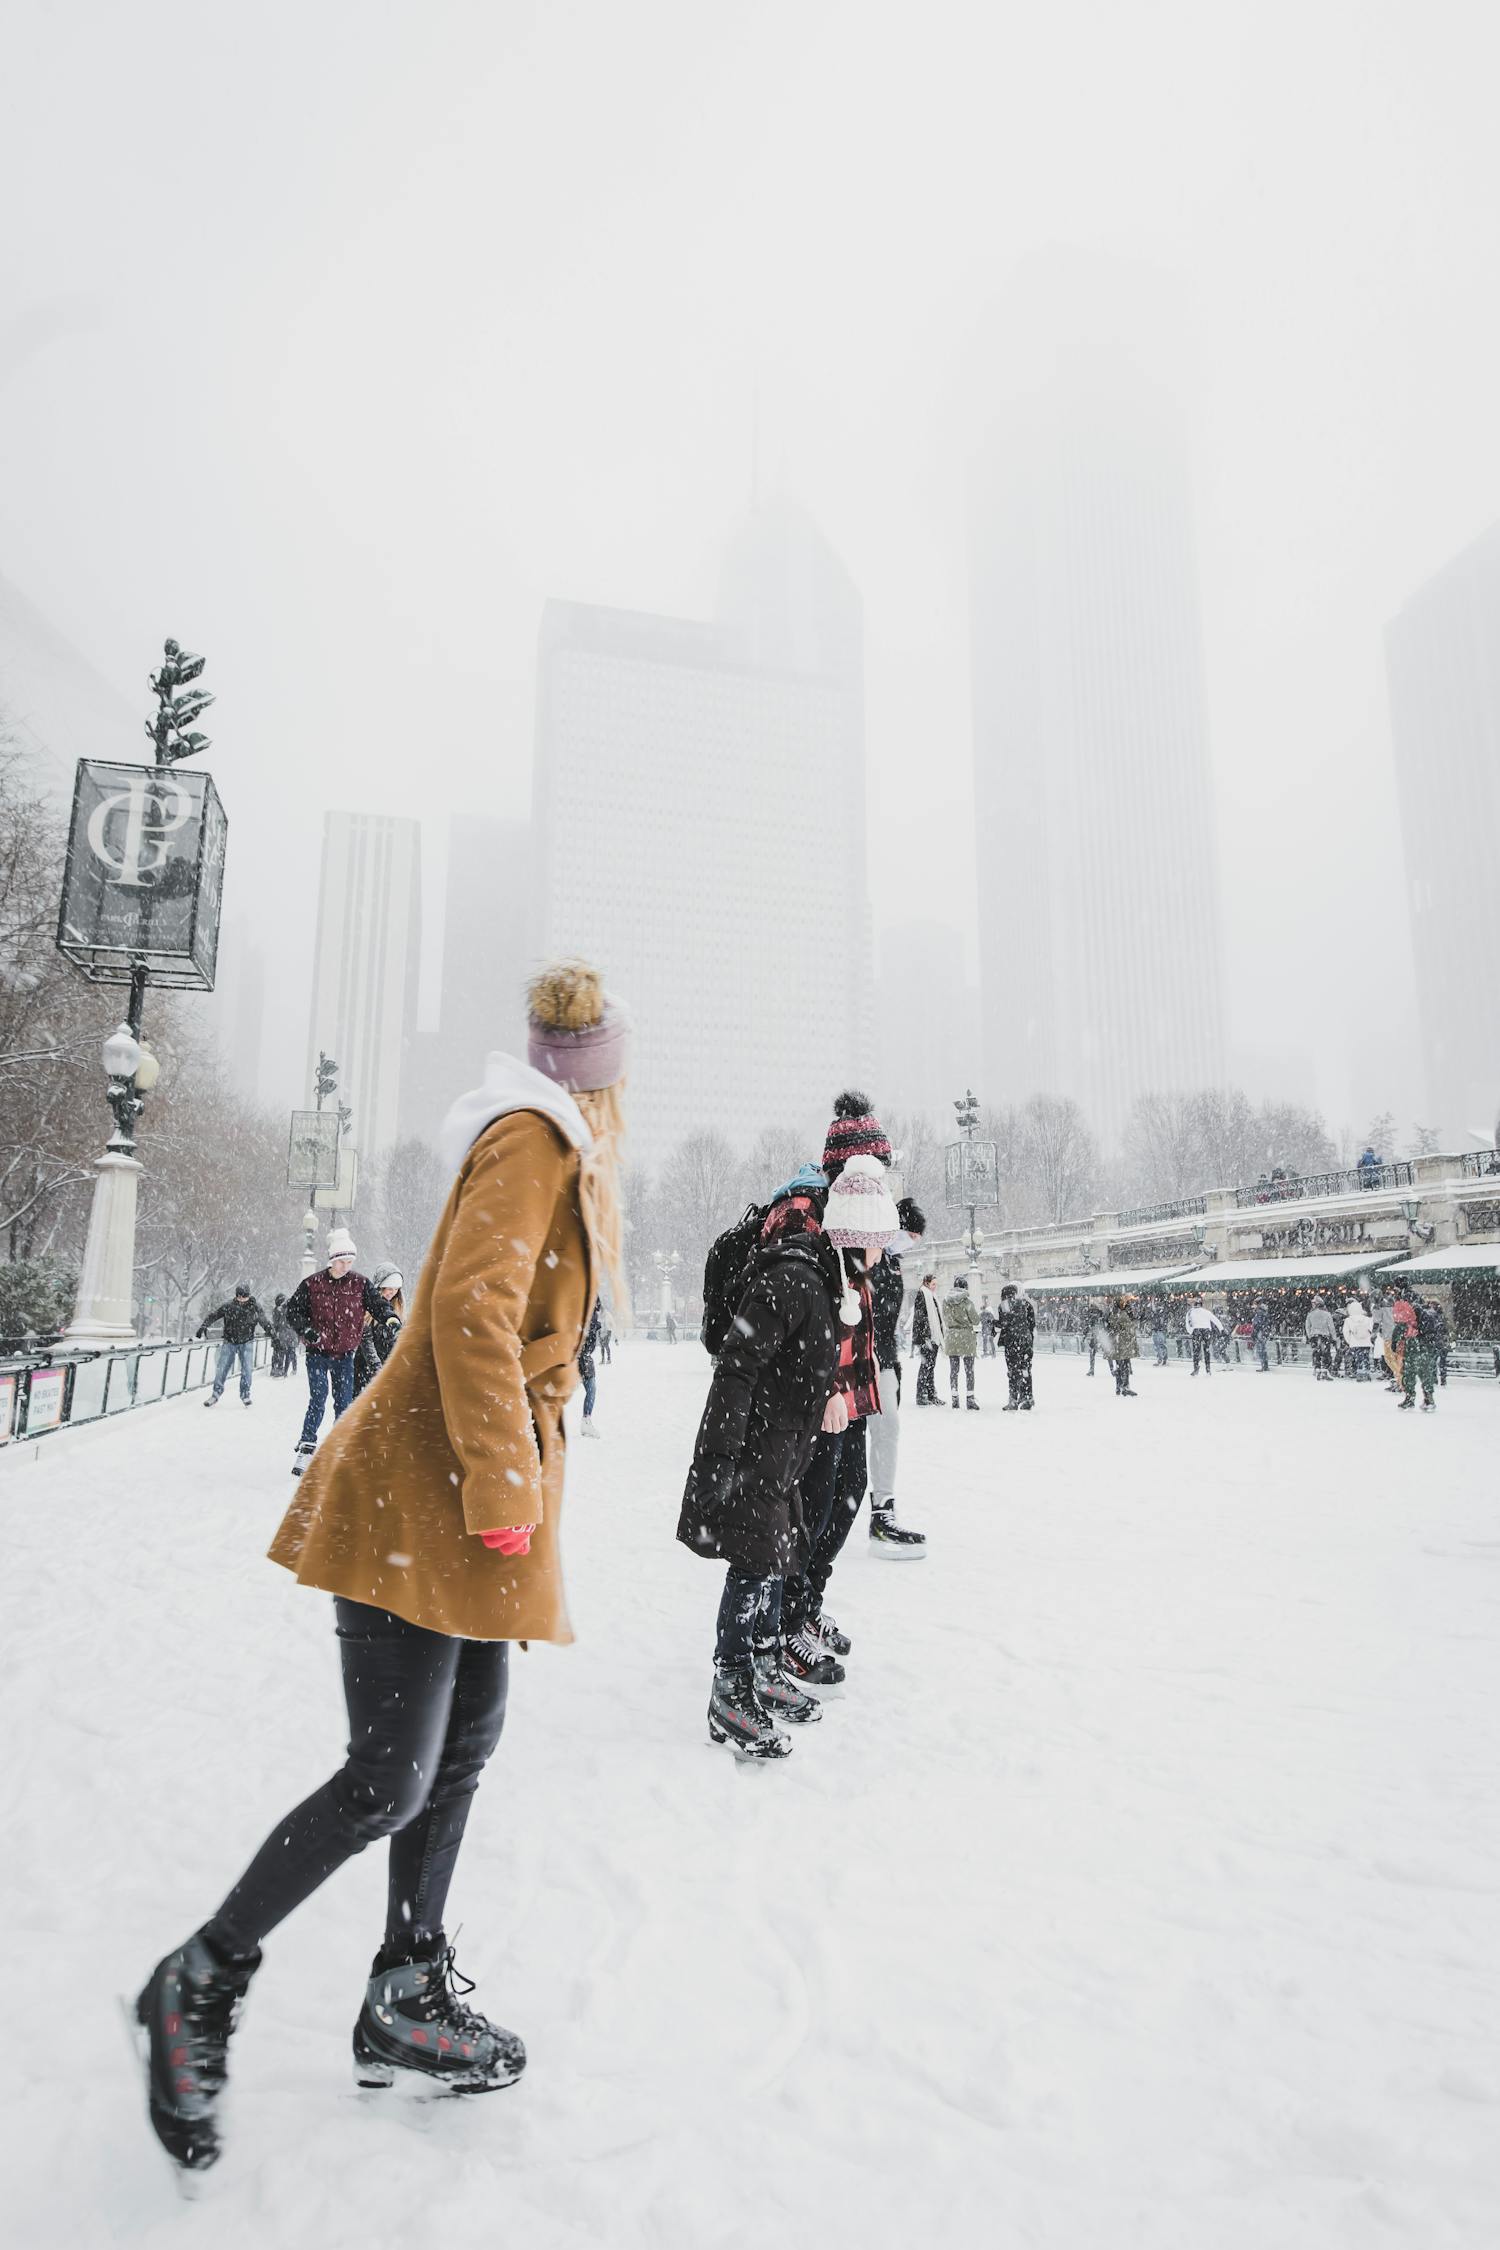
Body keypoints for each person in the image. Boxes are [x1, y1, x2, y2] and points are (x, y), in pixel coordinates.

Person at [131, 960, 630, 2176]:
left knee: (460, 1750)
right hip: (427, 1490)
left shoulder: (554, 1142)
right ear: (599, 1078)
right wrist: (510, 1480)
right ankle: (196, 1981)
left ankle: (406, 1989)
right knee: (388, 1779)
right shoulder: (535, 1138)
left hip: (456, 1499)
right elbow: (468, 1308)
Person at [677, 1178, 842, 1757]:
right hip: (758, 1447)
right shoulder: (790, 1276)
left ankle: (766, 1665)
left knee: (776, 1555)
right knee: (754, 1562)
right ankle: (730, 1687)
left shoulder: (816, 1278)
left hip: (783, 1448)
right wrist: (721, 1455)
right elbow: (737, 1366)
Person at [284, 1233, 392, 1473]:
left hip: (344, 1356)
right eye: (342, 1261)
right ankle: (306, 1447)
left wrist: (390, 1317)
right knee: (318, 1399)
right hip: (318, 1354)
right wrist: (306, 1330)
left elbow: (378, 1305)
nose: (346, 1266)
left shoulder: (360, 1284)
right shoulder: (312, 1284)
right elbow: (292, 1310)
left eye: (350, 1262)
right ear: (332, 1260)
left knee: (343, 1403)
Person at [866, 1195, 928, 1554]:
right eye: (910, 1234)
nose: (912, 1242)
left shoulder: (891, 1261)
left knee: (888, 1428)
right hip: (866, 1358)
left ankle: (883, 1507)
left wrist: (892, 1362)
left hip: (884, 1357)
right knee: (879, 1430)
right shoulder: (871, 1259)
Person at [197, 1283, 274, 1407]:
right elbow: (214, 1315)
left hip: (246, 1342)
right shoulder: (229, 1306)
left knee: (247, 1369)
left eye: (244, 1297)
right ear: (236, 1296)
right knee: (222, 1369)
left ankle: (245, 1394)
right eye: (239, 1297)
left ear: (248, 1296)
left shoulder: (255, 1307)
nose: (242, 1300)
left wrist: (272, 1333)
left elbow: (264, 1321)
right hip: (229, 1342)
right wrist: (204, 1325)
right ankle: (215, 1394)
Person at [353, 1266, 405, 1397]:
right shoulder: (369, 1308)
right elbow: (366, 1342)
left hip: (387, 1370)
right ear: (380, 1287)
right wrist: (376, 1368)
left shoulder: (397, 1311)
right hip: (365, 1368)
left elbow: (399, 1341)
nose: (391, 1293)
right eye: (389, 1289)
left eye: (395, 1289)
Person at [1399, 1297, 1446, 1411]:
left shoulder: (1415, 1318)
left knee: (1409, 1374)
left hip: (1414, 1349)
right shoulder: (1432, 1317)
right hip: (1424, 1349)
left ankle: (1410, 1399)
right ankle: (1428, 1399)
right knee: (1425, 1375)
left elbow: (1401, 1331)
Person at [942, 1273, 981, 1409]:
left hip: (952, 1337)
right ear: (965, 1287)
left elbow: (945, 1319)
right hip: (966, 1337)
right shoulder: (967, 1302)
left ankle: (954, 1398)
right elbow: (976, 1320)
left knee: (954, 1370)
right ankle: (970, 1399)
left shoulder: (945, 1301)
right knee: (969, 1370)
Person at [996, 1281, 1036, 1410]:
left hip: (1012, 1342)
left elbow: (1004, 1323)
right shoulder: (1026, 1304)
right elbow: (1032, 1324)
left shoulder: (1004, 1305)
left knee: (1013, 1371)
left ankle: (1013, 1399)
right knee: (1025, 1370)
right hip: (1026, 1341)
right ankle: (1027, 1398)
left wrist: (993, 1323)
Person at [912, 1271, 942, 1405]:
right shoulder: (922, 1294)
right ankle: (921, 1395)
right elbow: (920, 1318)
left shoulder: (932, 1296)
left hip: (933, 1337)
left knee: (930, 1366)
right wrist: (925, 1337)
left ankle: (931, 1394)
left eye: (936, 1284)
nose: (935, 1286)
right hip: (926, 1338)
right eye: (933, 1284)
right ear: (926, 1283)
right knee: (926, 1365)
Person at [578, 1296, 604, 1437]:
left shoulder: (588, 1314)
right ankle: (586, 1421)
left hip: (581, 1355)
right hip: (582, 1356)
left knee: (591, 1389)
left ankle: (586, 1421)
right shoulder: (588, 1315)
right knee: (591, 1389)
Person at [1106, 1297, 1139, 1395]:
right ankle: (1125, 1387)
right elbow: (1129, 1327)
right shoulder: (1122, 1314)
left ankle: (1119, 1386)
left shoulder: (1112, 1313)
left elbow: (1110, 1327)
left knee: (1119, 1365)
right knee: (1125, 1365)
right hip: (1123, 1344)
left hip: (1116, 1344)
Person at [1184, 1294, 1223, 1375]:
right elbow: (1216, 1320)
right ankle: (1208, 1369)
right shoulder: (1206, 1312)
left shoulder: (1190, 1312)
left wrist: (1191, 1331)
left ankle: (1196, 1368)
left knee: (1196, 1351)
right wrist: (1221, 1329)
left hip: (1196, 1331)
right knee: (1206, 1350)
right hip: (1206, 1331)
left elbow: (1188, 1323)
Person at [1304, 1294, 1338, 1380]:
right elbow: (1331, 1327)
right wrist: (1334, 1338)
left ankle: (1317, 1371)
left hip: (1314, 1336)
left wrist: (1309, 1336)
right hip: (1324, 1336)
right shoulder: (1327, 1314)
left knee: (1316, 1354)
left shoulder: (1310, 1314)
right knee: (1326, 1355)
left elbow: (1307, 1326)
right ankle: (1325, 1372)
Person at [1342, 1296, 1375, 1381]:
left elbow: (1345, 1332)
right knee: (1366, 1357)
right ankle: (1366, 1373)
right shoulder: (1367, 1319)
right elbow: (1372, 1330)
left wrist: (1350, 1341)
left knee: (1358, 1358)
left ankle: (1360, 1373)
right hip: (1366, 1342)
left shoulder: (1348, 1320)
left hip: (1355, 1342)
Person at [269, 1292, 300, 1380]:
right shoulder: (281, 1310)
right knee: (286, 1353)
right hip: (284, 1335)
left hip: (284, 1335)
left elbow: (277, 1323)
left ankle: (281, 1370)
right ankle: (281, 1370)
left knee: (285, 1352)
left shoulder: (282, 1310)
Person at [1250, 1298, 1273, 1373]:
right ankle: (1265, 1365)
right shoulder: (1264, 1311)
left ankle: (1264, 1366)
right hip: (1264, 1332)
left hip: (1260, 1333)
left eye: (1254, 1304)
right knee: (1263, 1349)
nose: (1253, 1306)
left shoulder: (1259, 1312)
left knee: (1261, 1350)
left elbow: (1257, 1324)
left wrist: (1254, 1333)